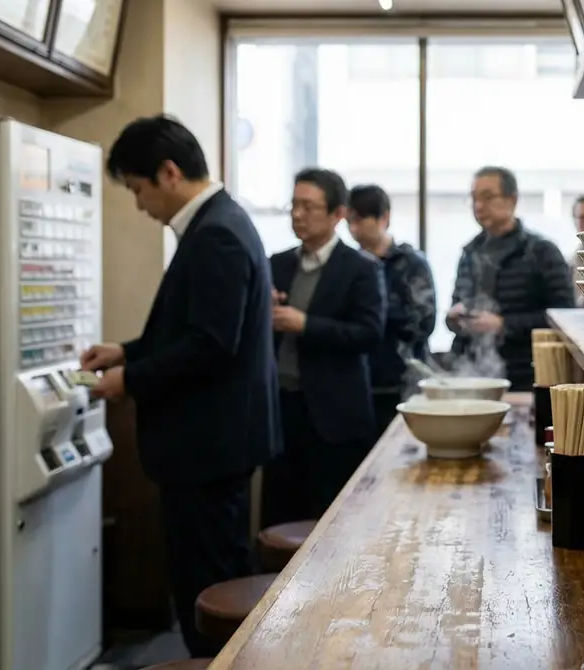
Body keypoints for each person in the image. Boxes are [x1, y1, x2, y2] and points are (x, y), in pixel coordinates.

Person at [81, 115, 279, 656]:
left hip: (207, 446)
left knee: (208, 588)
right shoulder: (219, 222)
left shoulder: (216, 233)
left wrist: (130, 378)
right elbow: (192, 331)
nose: (139, 204)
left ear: (168, 173)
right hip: (215, 442)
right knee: (212, 580)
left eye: (138, 189)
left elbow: (211, 346)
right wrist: (127, 351)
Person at [263, 169, 386, 527]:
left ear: (337, 214)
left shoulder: (361, 268)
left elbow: (369, 333)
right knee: (280, 517)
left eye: (309, 206)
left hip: (334, 416)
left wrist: (306, 325)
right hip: (281, 408)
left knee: (333, 525)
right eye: (294, 205)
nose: (297, 214)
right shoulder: (278, 264)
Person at [446, 166, 575, 390]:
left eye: (487, 197)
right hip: (470, 370)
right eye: (474, 198)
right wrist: (455, 318)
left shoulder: (541, 251)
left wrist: (503, 325)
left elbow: (564, 316)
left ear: (512, 200)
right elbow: (457, 301)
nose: (478, 206)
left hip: (524, 374)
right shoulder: (470, 252)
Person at [346, 183, 437, 435]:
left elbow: (424, 322)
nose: (354, 228)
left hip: (404, 380)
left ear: (384, 217)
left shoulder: (411, 264)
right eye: (350, 221)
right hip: (360, 383)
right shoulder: (349, 266)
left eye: (361, 220)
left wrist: (375, 316)